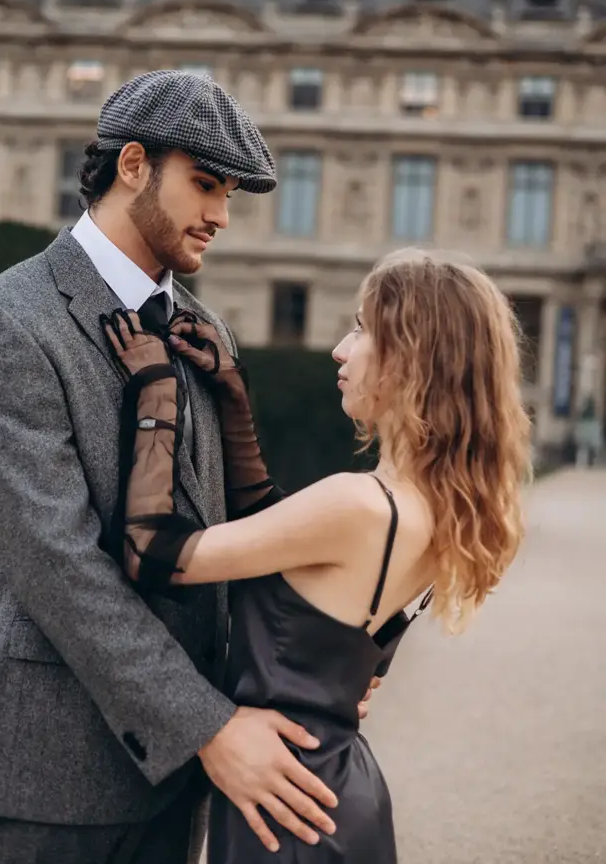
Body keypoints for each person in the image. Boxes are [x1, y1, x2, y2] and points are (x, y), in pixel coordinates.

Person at [0, 70, 356, 864]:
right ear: (132, 165)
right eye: (205, 185)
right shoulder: (4, 324)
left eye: (230, 193)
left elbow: (234, 542)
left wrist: (330, 657)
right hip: (32, 781)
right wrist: (209, 725)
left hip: (171, 790)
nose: (222, 216)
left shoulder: (202, 329)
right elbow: (56, 565)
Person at [103, 248, 532, 862]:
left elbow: (149, 551)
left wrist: (156, 398)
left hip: (285, 806)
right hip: (333, 790)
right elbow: (282, 544)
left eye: (361, 329)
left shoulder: (356, 506)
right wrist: (232, 400)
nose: (340, 349)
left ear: (411, 359)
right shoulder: (439, 514)